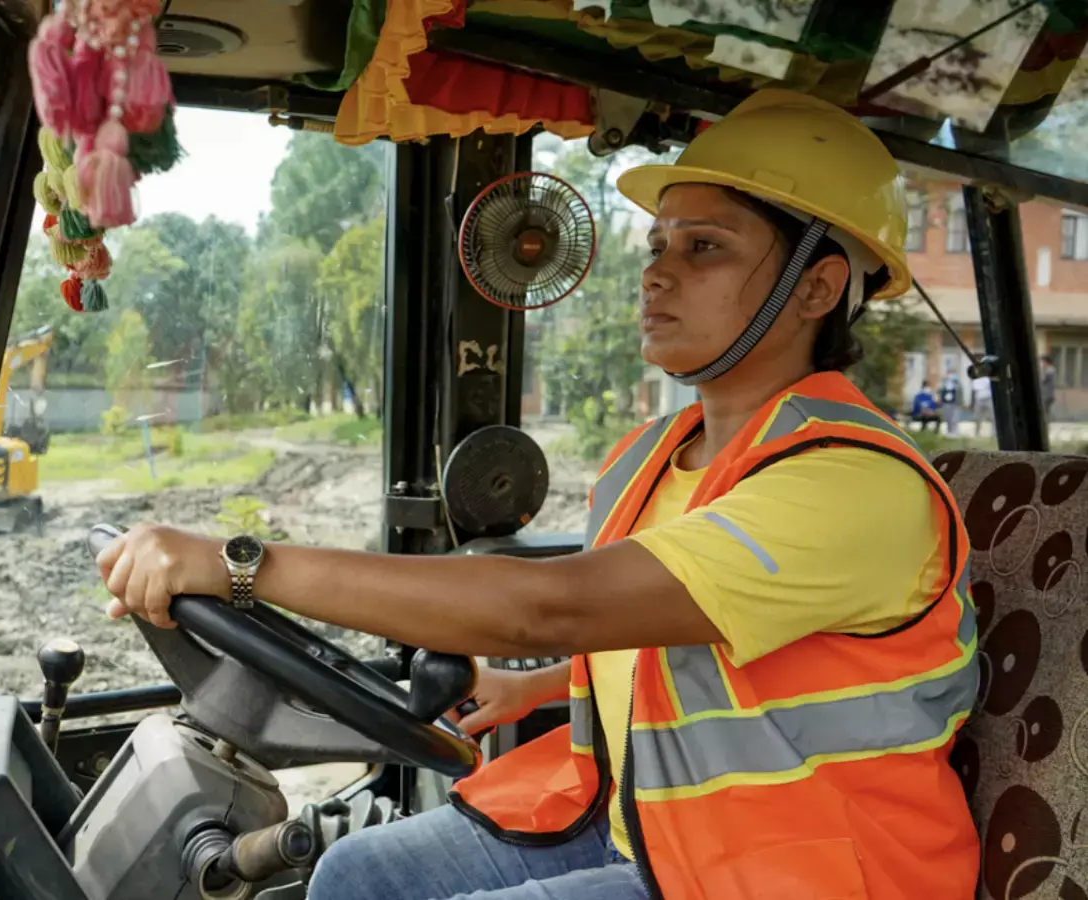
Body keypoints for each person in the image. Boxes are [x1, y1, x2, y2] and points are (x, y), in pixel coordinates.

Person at [97, 90, 980, 900]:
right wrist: (547, 686)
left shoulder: (852, 485)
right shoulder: (655, 454)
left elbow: (548, 604)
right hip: (652, 826)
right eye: (658, 245)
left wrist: (238, 564)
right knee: (356, 873)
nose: (658, 273)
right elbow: (686, 640)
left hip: (807, 871)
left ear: (817, 288)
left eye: (705, 247)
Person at [938, 368, 962, 435]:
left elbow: (960, 392)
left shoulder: (957, 383)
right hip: (946, 403)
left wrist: (960, 402)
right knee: (948, 418)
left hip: (954, 403)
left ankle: (955, 432)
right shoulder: (944, 383)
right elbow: (940, 392)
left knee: (955, 418)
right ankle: (949, 431)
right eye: (949, 373)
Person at [971, 371, 993, 437]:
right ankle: (977, 433)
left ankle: (994, 433)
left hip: (988, 398)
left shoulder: (988, 378)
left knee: (993, 417)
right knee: (977, 417)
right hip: (979, 399)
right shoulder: (976, 380)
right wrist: (972, 403)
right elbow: (974, 391)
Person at [1041, 353, 1057, 422]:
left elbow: (1043, 379)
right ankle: (1048, 420)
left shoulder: (1049, 370)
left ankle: (1047, 421)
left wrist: (1042, 370)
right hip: (1048, 394)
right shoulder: (1049, 369)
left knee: (1045, 409)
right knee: (1046, 409)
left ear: (1047, 362)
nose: (1042, 364)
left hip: (1047, 394)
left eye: (1043, 362)